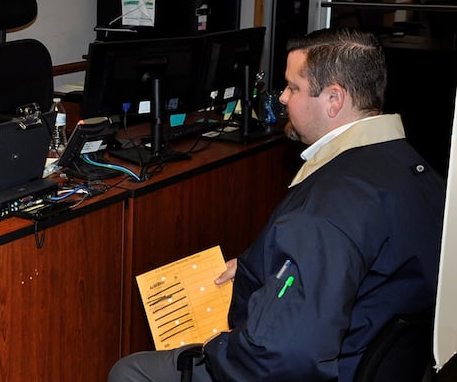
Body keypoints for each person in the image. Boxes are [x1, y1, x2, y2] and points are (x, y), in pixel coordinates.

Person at [108, 27, 445, 381]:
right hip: (375, 357)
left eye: (293, 87)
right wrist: (271, 269)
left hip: (315, 366)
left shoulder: (327, 208)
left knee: (131, 371)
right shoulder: (421, 174)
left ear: (334, 99)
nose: (282, 98)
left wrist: (214, 348)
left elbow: (281, 354)